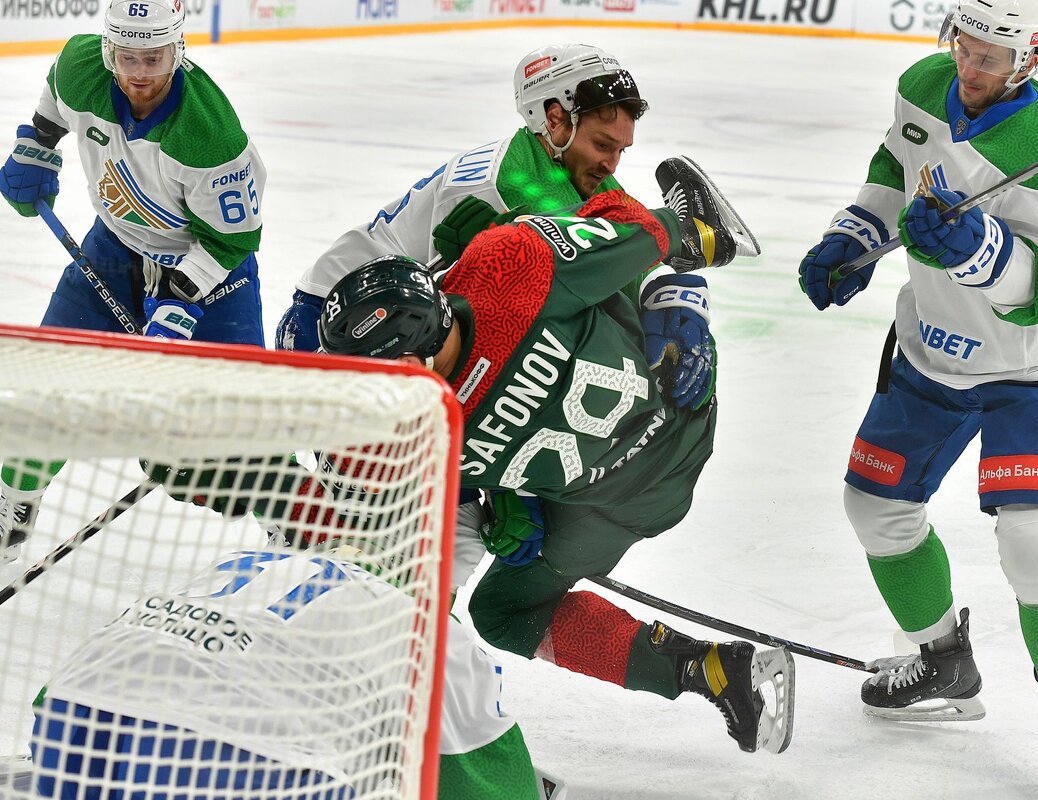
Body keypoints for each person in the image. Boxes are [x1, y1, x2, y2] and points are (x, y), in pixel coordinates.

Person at [313, 159, 793, 755]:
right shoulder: (504, 267)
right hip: (667, 444)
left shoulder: (413, 426)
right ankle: (711, 669)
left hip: (620, 502)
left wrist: (676, 292)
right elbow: (632, 228)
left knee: (506, 612)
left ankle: (696, 667)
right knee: (571, 254)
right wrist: (685, 243)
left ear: (411, 363)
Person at [797, 0, 1038, 789]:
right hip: (931, 354)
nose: (969, 70)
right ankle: (943, 659)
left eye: (990, 59)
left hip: (1031, 371)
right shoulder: (922, 84)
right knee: (874, 508)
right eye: (963, 47)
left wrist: (981, 253)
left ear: (1029, 61)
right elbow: (893, 168)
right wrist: (855, 236)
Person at [0, 0, 267, 564]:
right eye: (128, 57)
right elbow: (55, 96)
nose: (140, 72)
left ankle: (303, 529)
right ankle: (11, 509)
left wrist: (180, 299)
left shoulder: (210, 135)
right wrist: (37, 143)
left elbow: (233, 241)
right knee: (52, 382)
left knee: (244, 413)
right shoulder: (81, 66)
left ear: (178, 51)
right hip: (114, 247)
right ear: (108, 51)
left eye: (154, 57)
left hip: (208, 265)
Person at [27, 546, 547, 800]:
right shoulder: (426, 624)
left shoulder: (242, 560)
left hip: (70, 721)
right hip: (241, 758)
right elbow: (492, 781)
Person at [275, 42, 649, 353]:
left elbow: (631, 231)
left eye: (621, 150)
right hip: (340, 319)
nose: (612, 164)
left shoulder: (564, 163)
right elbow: (606, 268)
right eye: (603, 145)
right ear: (554, 119)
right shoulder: (511, 187)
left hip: (393, 320)